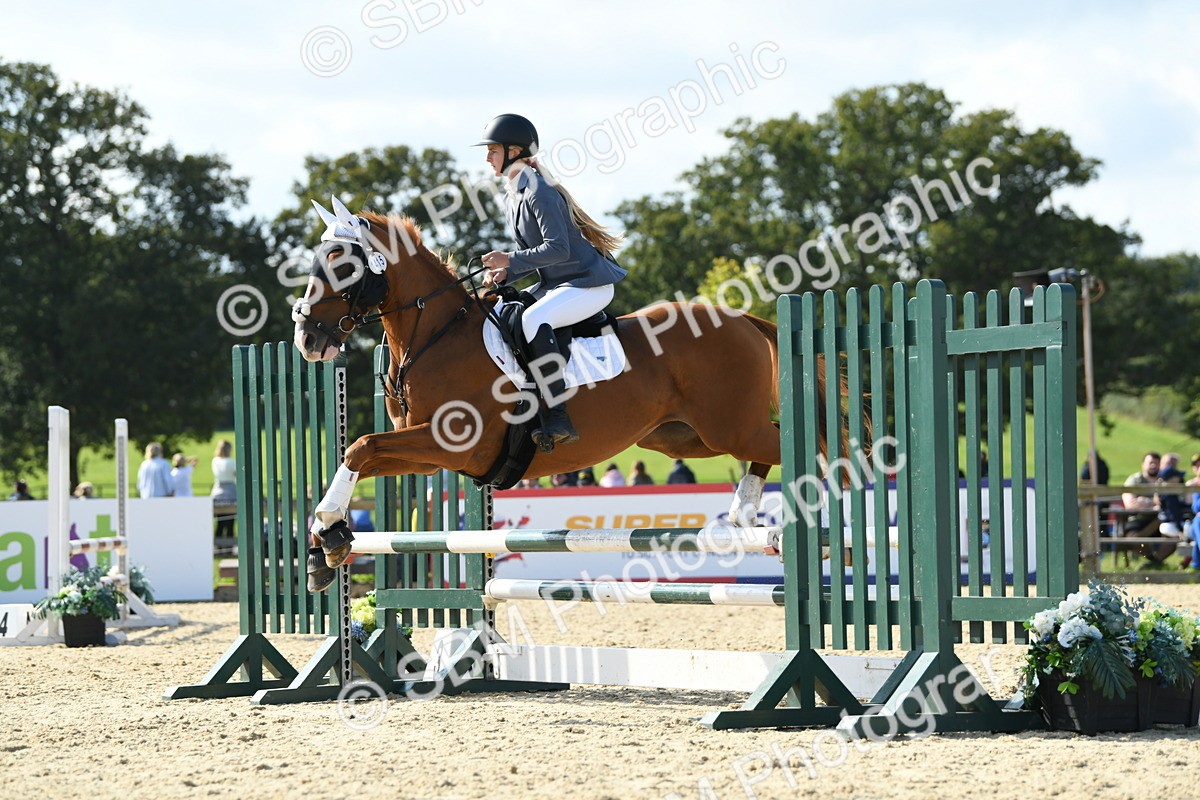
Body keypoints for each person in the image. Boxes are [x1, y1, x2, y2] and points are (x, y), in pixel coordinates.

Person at [476, 113, 628, 452]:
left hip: (588, 284)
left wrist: (511, 261)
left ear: (514, 151)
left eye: (492, 150)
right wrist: (505, 272)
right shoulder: (514, 192)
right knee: (505, 312)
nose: (487, 157)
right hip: (559, 283)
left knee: (533, 318)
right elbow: (532, 253)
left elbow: (557, 249)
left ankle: (558, 414)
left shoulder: (539, 192)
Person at [1121, 452, 1172, 563]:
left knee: (1175, 535)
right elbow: (1130, 504)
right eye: (1150, 462)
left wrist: (1143, 501)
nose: (1153, 465)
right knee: (1133, 538)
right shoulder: (1135, 480)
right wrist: (1154, 503)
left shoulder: (1165, 480)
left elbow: (1169, 504)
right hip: (1139, 519)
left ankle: (1156, 562)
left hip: (1162, 520)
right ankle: (1153, 561)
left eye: (1156, 463)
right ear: (1143, 464)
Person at [211, 440, 237, 540]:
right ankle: (229, 545)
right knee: (230, 522)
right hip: (230, 491)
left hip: (218, 491)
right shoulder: (232, 462)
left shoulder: (215, 461)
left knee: (220, 522)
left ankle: (219, 544)